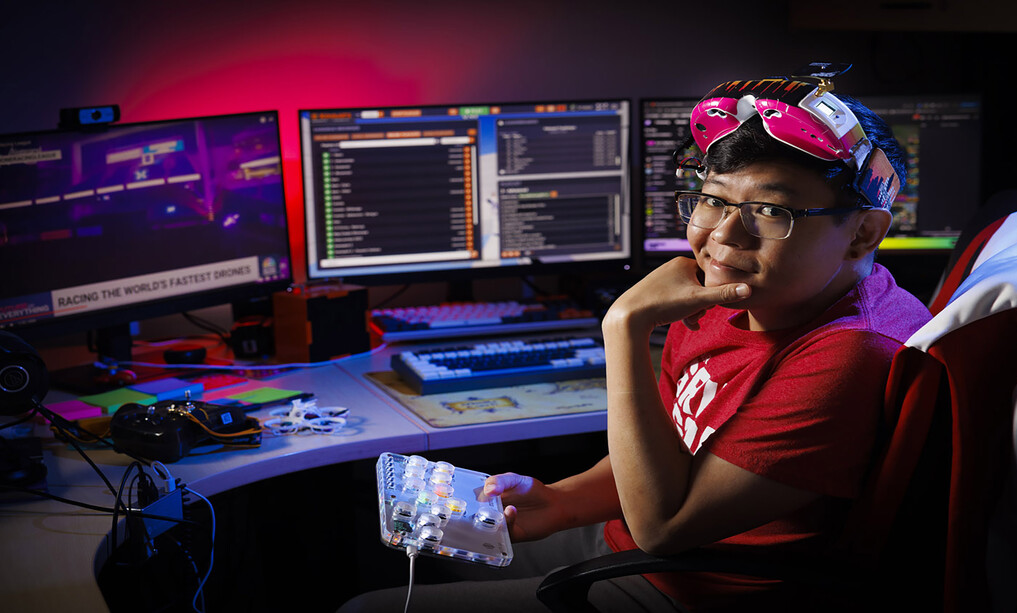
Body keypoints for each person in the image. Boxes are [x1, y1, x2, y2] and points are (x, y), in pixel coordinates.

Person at [339, 67, 933, 612]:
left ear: (863, 233)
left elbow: (665, 527)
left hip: (690, 588)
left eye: (770, 212)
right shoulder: (744, 293)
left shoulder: (850, 352)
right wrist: (561, 501)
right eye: (712, 200)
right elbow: (673, 449)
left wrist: (624, 327)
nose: (724, 237)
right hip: (633, 546)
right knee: (391, 527)